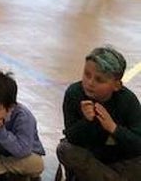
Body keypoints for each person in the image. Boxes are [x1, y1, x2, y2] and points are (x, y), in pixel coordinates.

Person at [57, 46, 141, 180]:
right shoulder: (74, 94)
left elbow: (138, 144)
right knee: (65, 149)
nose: (90, 83)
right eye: (87, 74)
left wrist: (114, 128)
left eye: (99, 80)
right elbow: (71, 137)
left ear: (117, 85)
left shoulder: (128, 100)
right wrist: (87, 122)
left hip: (120, 161)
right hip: (92, 160)